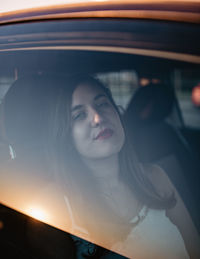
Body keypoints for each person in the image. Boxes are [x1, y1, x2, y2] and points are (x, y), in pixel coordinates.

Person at [45, 74, 199, 259]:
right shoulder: (55, 204)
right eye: (79, 115)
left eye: (102, 104)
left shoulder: (155, 177)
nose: (97, 118)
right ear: (66, 137)